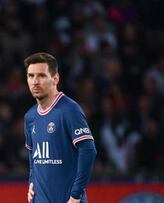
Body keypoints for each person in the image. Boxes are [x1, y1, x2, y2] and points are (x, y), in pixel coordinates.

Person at [23, 52, 97, 203]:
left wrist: (76, 195)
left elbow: (88, 150)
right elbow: (33, 155)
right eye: (31, 76)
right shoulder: (30, 117)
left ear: (55, 78)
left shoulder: (69, 110)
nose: (35, 81)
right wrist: (32, 181)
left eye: (41, 76)